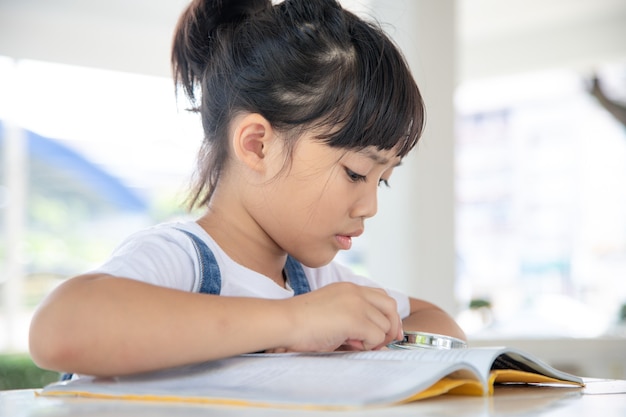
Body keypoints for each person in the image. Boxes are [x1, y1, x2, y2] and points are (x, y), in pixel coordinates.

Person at [29, 0, 465, 378]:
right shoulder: (187, 259)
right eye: (355, 173)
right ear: (258, 146)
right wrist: (292, 322)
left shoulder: (313, 282)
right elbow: (59, 329)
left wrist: (367, 338)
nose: (369, 205)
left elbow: (441, 322)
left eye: (382, 180)